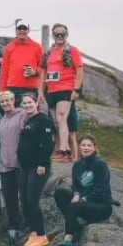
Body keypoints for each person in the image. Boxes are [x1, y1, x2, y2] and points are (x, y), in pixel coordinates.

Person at [52, 135, 114, 246]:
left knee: (74, 206)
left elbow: (100, 189)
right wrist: (76, 194)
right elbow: (75, 185)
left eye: (89, 145)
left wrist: (83, 199)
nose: (86, 148)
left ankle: (69, 240)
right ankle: (75, 226)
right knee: (60, 193)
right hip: (83, 202)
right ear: (79, 147)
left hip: (101, 206)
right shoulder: (78, 164)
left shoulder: (100, 164)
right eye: (83, 145)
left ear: (94, 148)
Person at [39, 23, 84, 162]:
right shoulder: (48, 53)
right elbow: (43, 72)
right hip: (51, 90)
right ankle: (66, 151)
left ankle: (63, 149)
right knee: (56, 122)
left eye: (62, 34)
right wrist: (40, 91)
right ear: (53, 35)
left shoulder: (72, 50)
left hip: (66, 88)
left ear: (66, 35)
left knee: (61, 116)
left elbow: (80, 70)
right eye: (57, 34)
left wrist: (76, 89)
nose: (59, 37)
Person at [17, 92, 55, 246]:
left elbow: (48, 144)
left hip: (37, 167)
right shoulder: (28, 120)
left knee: (32, 201)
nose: (27, 105)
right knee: (25, 201)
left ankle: (41, 235)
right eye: (24, 103)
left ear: (36, 103)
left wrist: (42, 163)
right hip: (25, 167)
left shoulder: (43, 120)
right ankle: (33, 232)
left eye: (29, 103)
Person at [0, 91, 27, 246]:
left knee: (24, 197)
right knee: (9, 199)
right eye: (2, 101)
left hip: (20, 164)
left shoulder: (22, 114)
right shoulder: (2, 120)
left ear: (14, 100)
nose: (5, 103)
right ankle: (13, 229)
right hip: (5, 165)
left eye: (8, 100)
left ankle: (26, 228)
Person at [0, 19, 43, 105]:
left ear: (28, 30)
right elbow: (4, 71)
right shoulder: (9, 48)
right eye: (19, 28)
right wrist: (1, 91)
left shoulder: (37, 47)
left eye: (24, 28)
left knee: (30, 115)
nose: (22, 30)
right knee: (14, 115)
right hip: (12, 88)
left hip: (31, 88)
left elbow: (43, 68)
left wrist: (35, 71)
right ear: (16, 30)